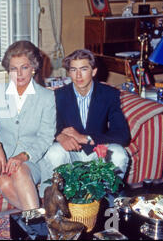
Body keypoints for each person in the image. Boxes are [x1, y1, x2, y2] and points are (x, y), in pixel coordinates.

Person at [39, 49, 130, 197]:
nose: (78, 75)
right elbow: (45, 127)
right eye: (73, 70)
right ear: (69, 73)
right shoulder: (58, 96)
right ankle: (58, 203)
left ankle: (107, 202)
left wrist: (85, 137)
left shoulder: (109, 94)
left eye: (84, 69)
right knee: (54, 152)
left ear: (93, 71)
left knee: (119, 153)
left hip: (97, 151)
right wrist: (60, 136)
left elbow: (123, 135)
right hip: (71, 152)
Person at [0, 41, 56, 211]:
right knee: (3, 181)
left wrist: (23, 156)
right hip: (5, 159)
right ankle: (43, 219)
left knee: (19, 170)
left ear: (33, 68)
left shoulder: (47, 97)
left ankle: (37, 230)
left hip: (34, 159)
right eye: (13, 69)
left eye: (24, 67)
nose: (19, 74)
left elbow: (46, 137)